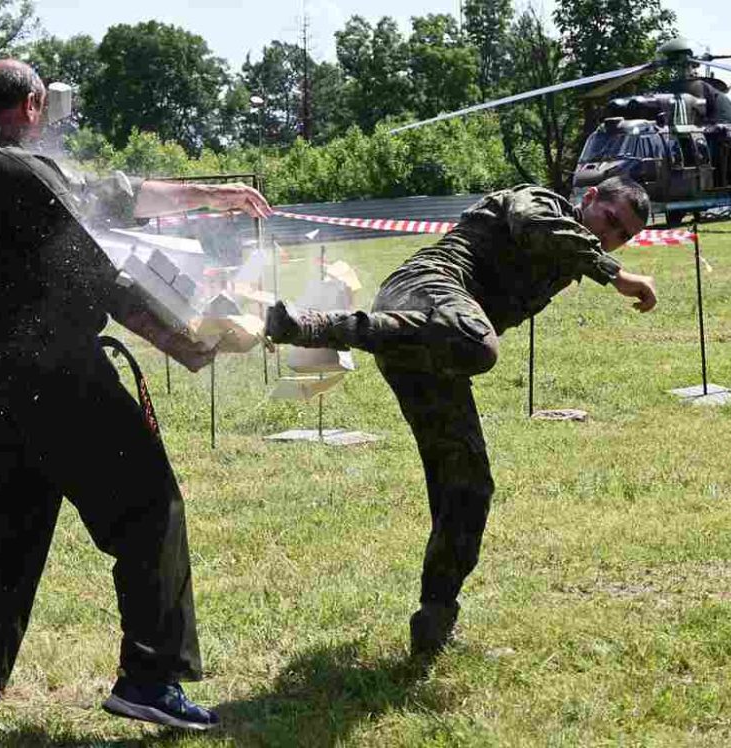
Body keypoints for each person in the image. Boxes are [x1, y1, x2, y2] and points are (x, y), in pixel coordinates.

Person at [0, 59, 271, 730]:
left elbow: (111, 194)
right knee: (149, 509)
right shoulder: (18, 173)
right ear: (31, 106)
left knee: (4, 522)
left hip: (0, 375)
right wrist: (183, 341)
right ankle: (150, 678)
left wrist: (215, 194)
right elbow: (97, 274)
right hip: (58, 375)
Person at [265, 177, 656, 657]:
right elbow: (533, 222)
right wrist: (615, 273)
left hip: (430, 346)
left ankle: (435, 621)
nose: (608, 236)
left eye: (622, 236)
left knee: (468, 486)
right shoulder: (542, 202)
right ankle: (322, 325)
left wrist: (597, 261)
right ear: (590, 198)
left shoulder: (570, 257)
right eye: (609, 220)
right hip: (424, 293)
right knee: (479, 343)